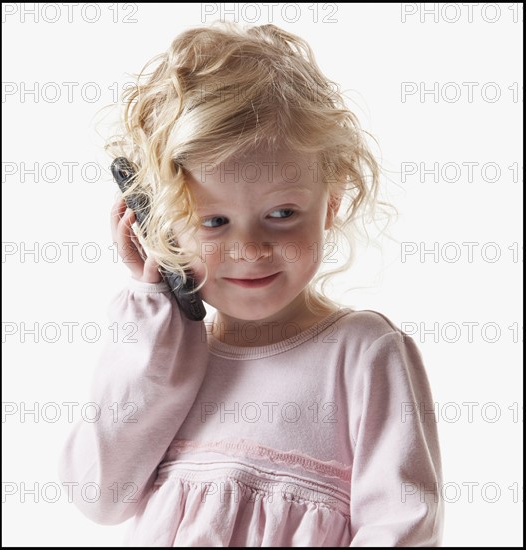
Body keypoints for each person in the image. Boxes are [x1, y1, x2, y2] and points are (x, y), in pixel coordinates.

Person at [59, 22, 444, 546]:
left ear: (331, 201)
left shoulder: (361, 353)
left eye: (282, 212)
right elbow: (99, 494)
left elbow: (403, 524)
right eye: (213, 221)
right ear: (159, 225)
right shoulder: (165, 359)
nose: (250, 249)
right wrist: (155, 311)